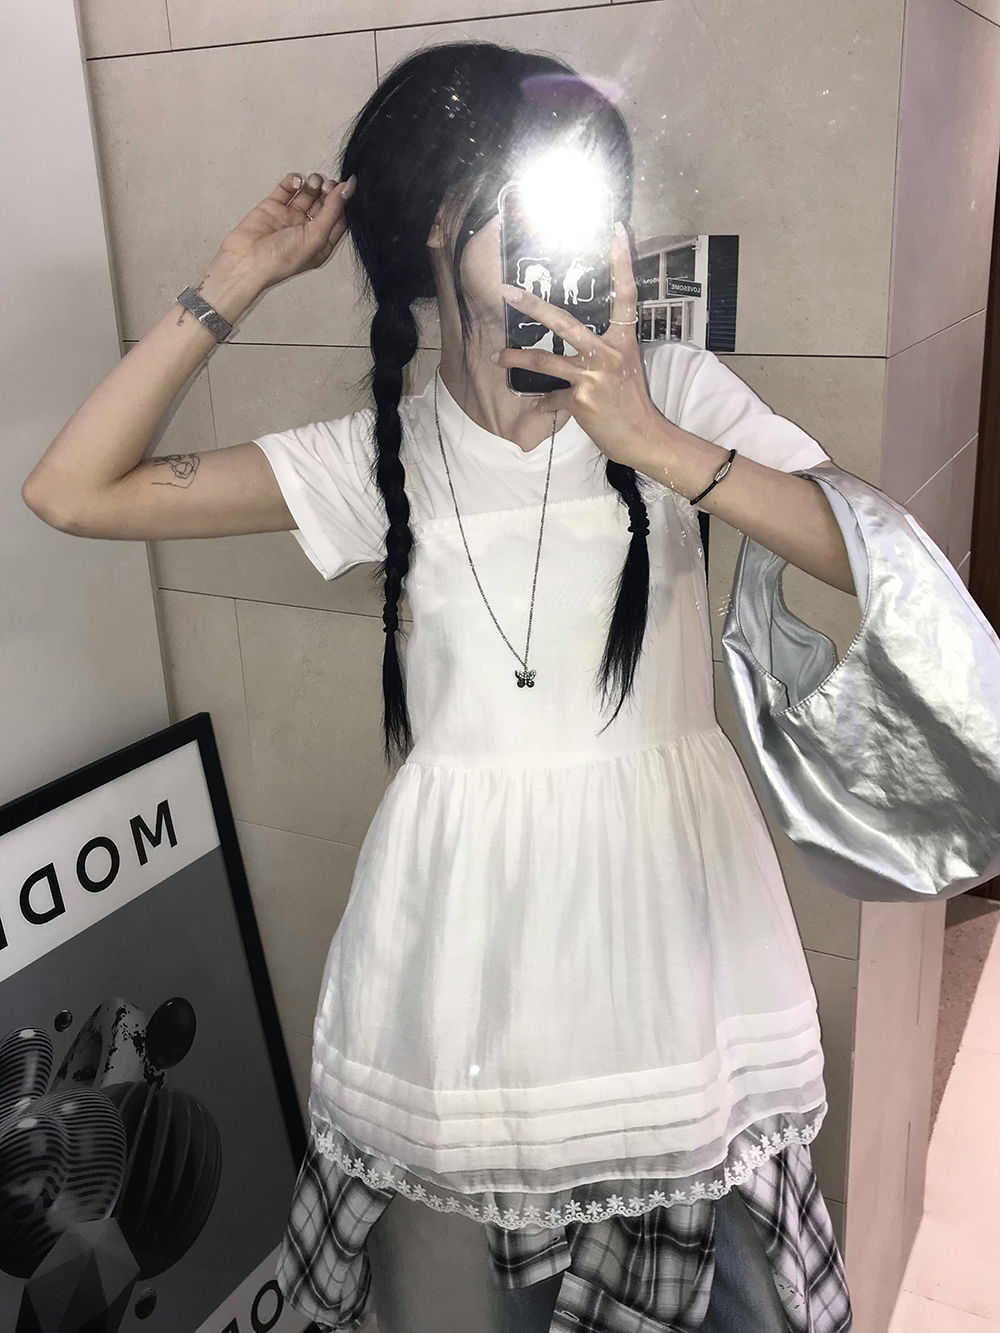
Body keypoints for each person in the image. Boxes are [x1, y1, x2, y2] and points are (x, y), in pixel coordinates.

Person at [22, 38, 855, 1333]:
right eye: (516, 192)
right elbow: (72, 491)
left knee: (737, 1290)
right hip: (483, 933)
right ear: (434, 220)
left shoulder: (675, 394)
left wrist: (650, 438)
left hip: (669, 916)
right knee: (526, 1285)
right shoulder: (381, 457)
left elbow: (867, 556)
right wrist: (236, 278)